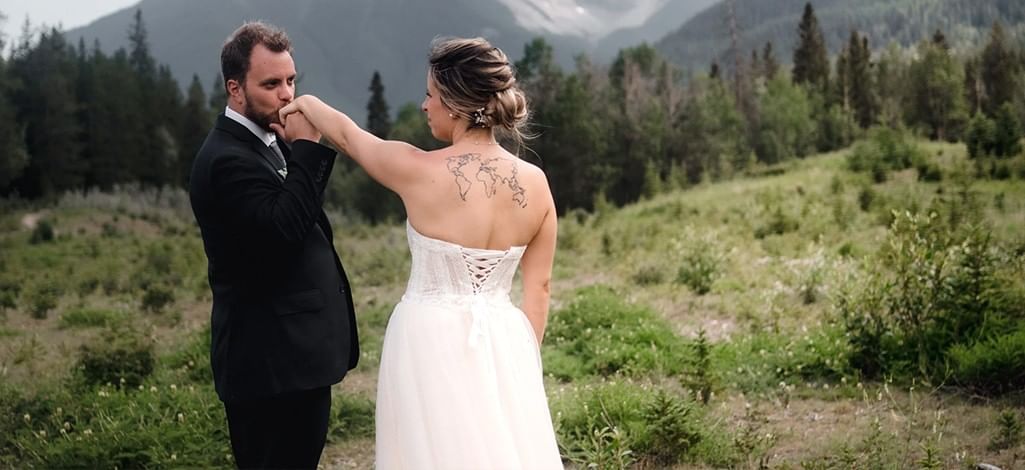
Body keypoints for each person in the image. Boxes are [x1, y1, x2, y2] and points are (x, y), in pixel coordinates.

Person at [279, 37, 562, 468]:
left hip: (427, 340)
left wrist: (306, 104)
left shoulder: (417, 170)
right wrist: (521, 362)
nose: (424, 106)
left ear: (453, 102)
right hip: (507, 341)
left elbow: (350, 138)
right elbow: (538, 288)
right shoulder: (537, 183)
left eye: (430, 95)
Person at [188, 21, 359, 469]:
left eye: (290, 81)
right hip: (268, 366)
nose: (286, 94)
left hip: (293, 359)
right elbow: (283, 233)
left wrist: (295, 153)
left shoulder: (266, 141)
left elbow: (301, 219)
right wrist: (307, 149)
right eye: (271, 84)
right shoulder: (227, 158)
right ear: (235, 89)